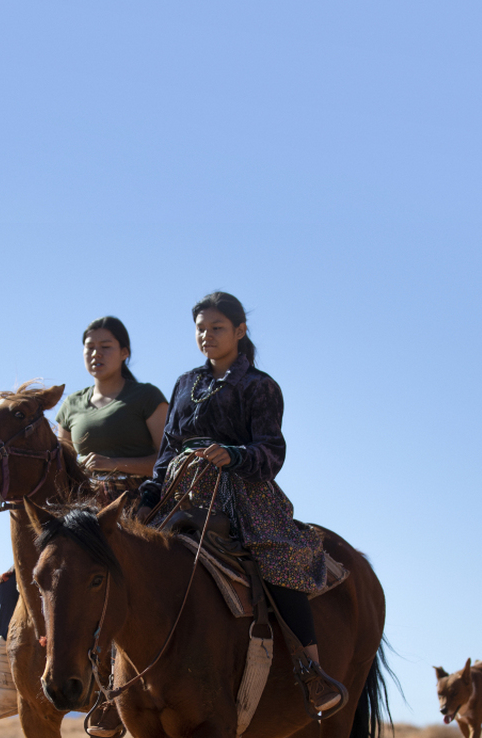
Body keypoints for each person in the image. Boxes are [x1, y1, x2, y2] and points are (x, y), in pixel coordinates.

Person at [135, 291, 347, 716]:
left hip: (243, 493)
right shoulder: (184, 384)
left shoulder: (260, 386)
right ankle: (111, 688)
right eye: (201, 329)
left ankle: (311, 671)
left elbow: (272, 452)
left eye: (217, 328)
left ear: (239, 331)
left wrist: (234, 454)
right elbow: (167, 452)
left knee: (279, 562)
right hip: (180, 489)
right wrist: (148, 495)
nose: (207, 336)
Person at [0, 316, 169, 731]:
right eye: (90, 347)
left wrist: (116, 464)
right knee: (14, 583)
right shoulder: (73, 405)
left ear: (125, 352)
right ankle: (4, 692)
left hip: (139, 504)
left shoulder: (146, 397)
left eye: (107, 346)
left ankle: (124, 689)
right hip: (84, 509)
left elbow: (165, 459)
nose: (97, 353)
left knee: (120, 580)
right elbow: (63, 463)